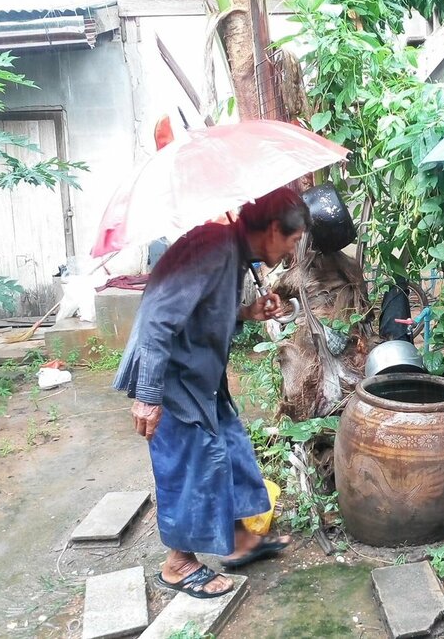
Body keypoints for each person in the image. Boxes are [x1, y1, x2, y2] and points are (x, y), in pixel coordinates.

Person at [114, 187, 309, 597]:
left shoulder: (232, 253)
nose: (292, 252)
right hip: (171, 378)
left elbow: (204, 311)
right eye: (292, 241)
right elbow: (155, 321)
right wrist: (148, 396)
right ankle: (179, 564)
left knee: (231, 448)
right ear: (273, 230)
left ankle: (239, 541)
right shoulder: (211, 247)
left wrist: (248, 312)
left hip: (200, 376)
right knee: (192, 463)